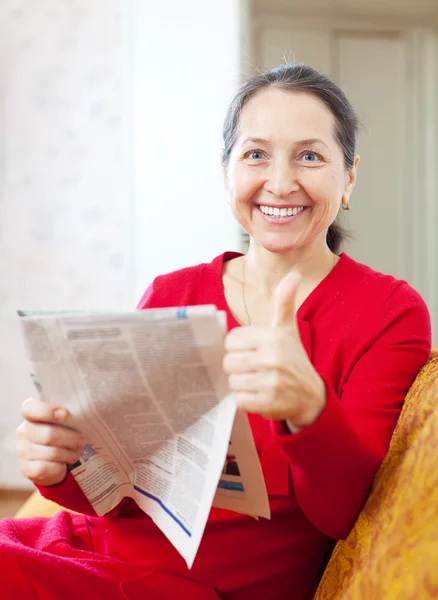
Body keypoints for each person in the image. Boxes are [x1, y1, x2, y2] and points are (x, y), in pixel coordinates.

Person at [0, 63, 431, 600]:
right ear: (226, 172)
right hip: (81, 552)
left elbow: (340, 516)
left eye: (310, 156)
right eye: (255, 154)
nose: (279, 182)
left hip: (194, 588)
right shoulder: (170, 292)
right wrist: (57, 466)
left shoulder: (390, 310)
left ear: (349, 176)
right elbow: (120, 494)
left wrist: (308, 410)